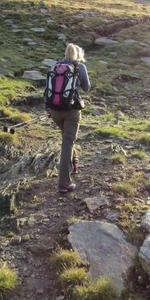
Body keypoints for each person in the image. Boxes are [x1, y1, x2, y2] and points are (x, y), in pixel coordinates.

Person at [46, 43, 90, 194]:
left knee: (67, 138)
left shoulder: (55, 66)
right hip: (71, 111)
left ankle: (74, 162)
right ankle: (64, 183)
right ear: (78, 54)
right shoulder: (80, 67)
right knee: (67, 142)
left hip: (54, 110)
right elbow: (87, 88)